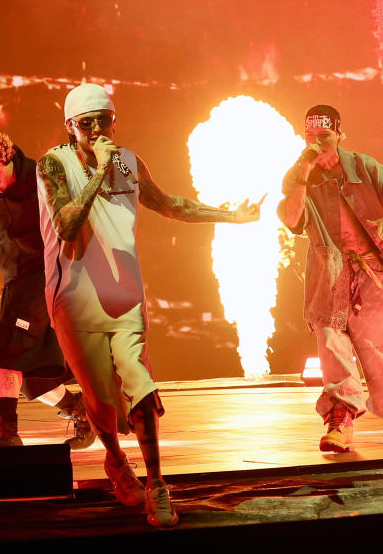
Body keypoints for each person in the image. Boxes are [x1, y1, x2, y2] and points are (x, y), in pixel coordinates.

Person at [36, 84, 260, 527]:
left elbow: (169, 204)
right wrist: (100, 169)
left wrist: (230, 215)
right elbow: (66, 225)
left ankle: (157, 485)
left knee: (139, 379)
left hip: (124, 293)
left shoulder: (129, 162)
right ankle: (116, 461)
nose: (98, 129)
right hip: (74, 297)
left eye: (105, 120)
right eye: (87, 123)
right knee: (100, 399)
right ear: (69, 127)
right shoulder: (52, 164)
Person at [278, 104, 383, 453]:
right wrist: (303, 174)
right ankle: (340, 419)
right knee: (330, 342)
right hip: (328, 273)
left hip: (371, 272)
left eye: (325, 136)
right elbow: (291, 221)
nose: (318, 143)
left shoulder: (365, 168)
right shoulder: (299, 174)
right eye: (311, 137)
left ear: (339, 135)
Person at [0, 130, 92, 461]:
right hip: (18, 284)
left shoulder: (43, 182)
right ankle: (83, 412)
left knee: (8, 351)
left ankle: (6, 435)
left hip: (48, 278)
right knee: (35, 380)